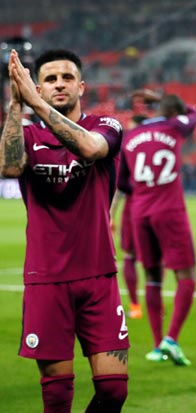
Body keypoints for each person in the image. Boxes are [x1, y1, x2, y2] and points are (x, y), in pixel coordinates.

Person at [0, 49, 128, 412]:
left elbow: (89, 147)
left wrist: (37, 105)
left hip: (99, 274)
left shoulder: (107, 126)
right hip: (46, 278)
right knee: (56, 397)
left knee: (114, 390)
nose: (59, 84)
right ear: (37, 87)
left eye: (67, 77)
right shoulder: (26, 136)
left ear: (81, 86)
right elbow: (8, 168)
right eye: (50, 79)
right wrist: (15, 102)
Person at [117, 89, 196, 366]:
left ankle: (156, 345)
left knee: (152, 277)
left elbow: (122, 183)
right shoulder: (174, 125)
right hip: (170, 210)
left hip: (140, 211)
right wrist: (167, 102)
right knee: (187, 275)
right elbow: (194, 115)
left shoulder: (130, 137)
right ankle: (172, 339)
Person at [110, 114, 148, 320]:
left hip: (134, 207)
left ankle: (136, 305)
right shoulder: (152, 146)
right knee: (148, 259)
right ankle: (147, 303)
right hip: (155, 205)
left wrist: (111, 213)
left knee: (130, 257)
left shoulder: (129, 149)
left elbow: (120, 187)